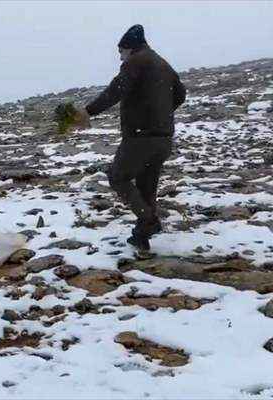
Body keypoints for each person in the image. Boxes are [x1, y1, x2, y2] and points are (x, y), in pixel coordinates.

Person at [76, 24, 186, 257]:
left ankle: (149, 220)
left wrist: (88, 111)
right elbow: (181, 94)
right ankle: (142, 239)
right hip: (164, 138)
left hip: (140, 138)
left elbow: (116, 90)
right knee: (147, 185)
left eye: (121, 52)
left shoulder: (137, 62)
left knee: (118, 176)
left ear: (129, 48)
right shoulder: (162, 64)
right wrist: (161, 114)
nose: (120, 57)